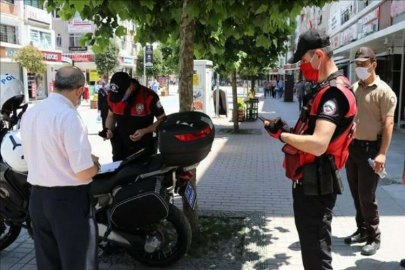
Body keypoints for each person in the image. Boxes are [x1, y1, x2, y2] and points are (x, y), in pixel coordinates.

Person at [263, 29, 357, 270]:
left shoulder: (333, 94)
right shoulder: (327, 88)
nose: (303, 66)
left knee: (317, 257)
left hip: (316, 186)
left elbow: (317, 144)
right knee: (312, 250)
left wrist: (281, 135)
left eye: (304, 61)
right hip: (312, 182)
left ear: (318, 55)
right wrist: (285, 129)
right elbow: (312, 133)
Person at [20, 66, 100, 270]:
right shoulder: (69, 116)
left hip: (38, 199)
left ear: (54, 85)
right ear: (79, 90)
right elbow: (83, 173)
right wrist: (95, 166)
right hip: (68, 202)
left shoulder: (32, 112)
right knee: (78, 262)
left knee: (48, 263)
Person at [344, 47, 397, 256]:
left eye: (363, 64)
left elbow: (389, 124)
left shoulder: (384, 91)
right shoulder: (354, 87)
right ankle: (362, 230)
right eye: (357, 64)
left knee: (367, 195)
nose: (359, 67)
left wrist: (382, 153)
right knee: (356, 194)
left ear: (373, 64)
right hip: (352, 148)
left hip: (371, 150)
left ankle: (374, 237)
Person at [104, 72, 166, 161]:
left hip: (144, 150)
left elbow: (162, 120)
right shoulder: (113, 95)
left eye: (121, 95)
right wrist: (108, 129)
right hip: (120, 149)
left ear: (130, 87)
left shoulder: (148, 96)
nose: (119, 99)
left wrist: (145, 131)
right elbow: (111, 116)